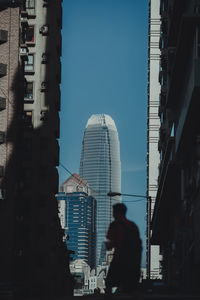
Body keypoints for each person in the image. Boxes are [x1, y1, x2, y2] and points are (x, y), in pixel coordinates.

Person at [104, 203, 142, 297]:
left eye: (114, 212)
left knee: (109, 284)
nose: (113, 214)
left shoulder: (114, 225)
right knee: (130, 290)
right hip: (133, 262)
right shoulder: (133, 225)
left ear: (116, 212)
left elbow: (111, 244)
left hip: (119, 260)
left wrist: (108, 244)